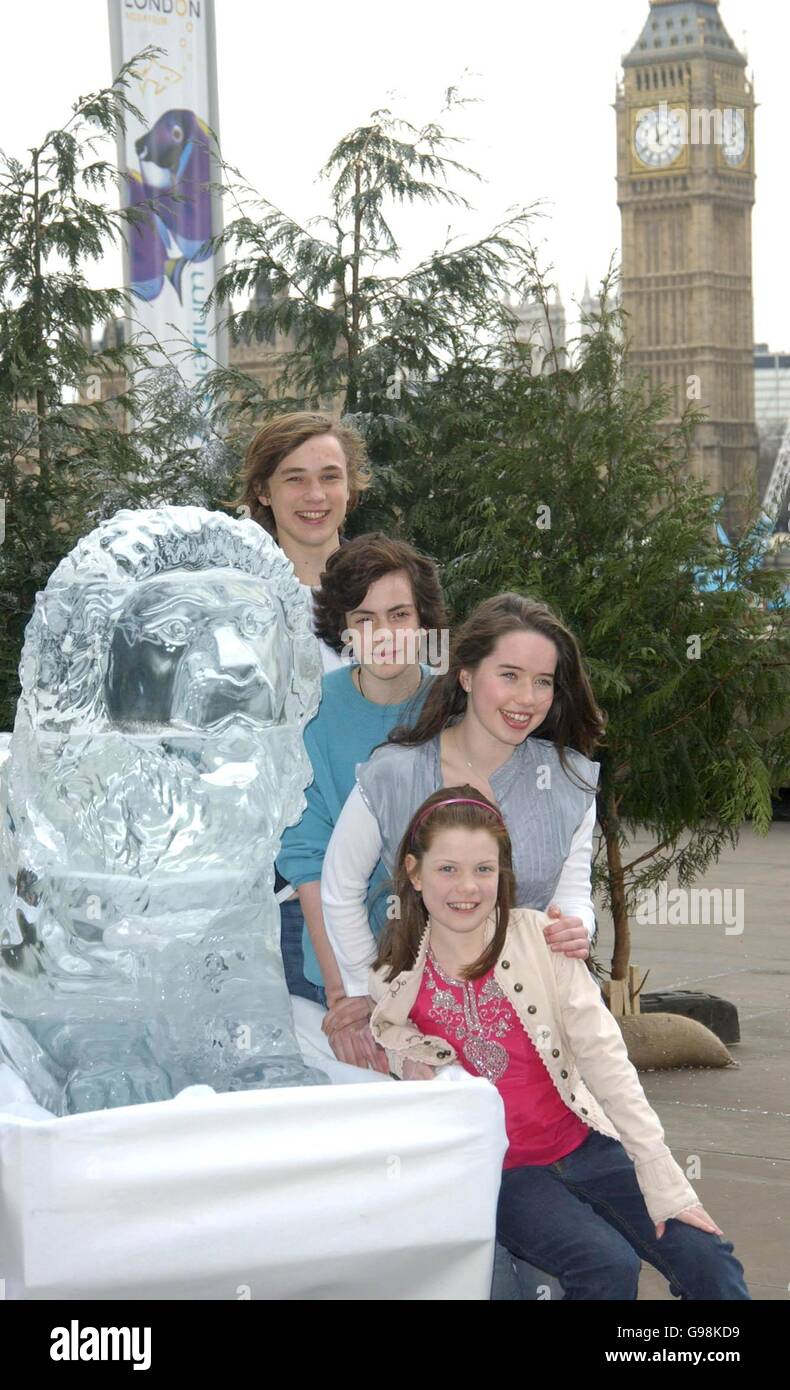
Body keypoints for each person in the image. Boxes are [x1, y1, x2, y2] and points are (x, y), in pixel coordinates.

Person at [367, 788, 751, 1301]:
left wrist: (661, 1175)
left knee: (706, 1255)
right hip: (505, 1173)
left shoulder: (541, 939)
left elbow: (606, 1059)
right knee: (605, 1264)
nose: (467, 887)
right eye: (447, 869)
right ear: (414, 873)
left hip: (586, 1143)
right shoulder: (395, 976)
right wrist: (411, 1058)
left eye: (484, 869)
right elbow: (389, 1035)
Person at [321, 592, 603, 1000]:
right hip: (425, 1016)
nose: (526, 697)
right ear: (467, 676)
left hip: (540, 1009)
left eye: (543, 681)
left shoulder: (569, 780)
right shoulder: (393, 773)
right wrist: (370, 991)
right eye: (509, 675)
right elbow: (340, 889)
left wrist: (577, 926)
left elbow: (571, 893)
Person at [276, 534, 445, 1068]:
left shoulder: (455, 706)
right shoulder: (310, 711)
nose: (385, 635)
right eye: (366, 618)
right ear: (343, 627)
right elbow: (307, 863)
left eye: (399, 614)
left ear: (423, 621)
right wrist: (342, 995)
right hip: (338, 957)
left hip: (443, 962)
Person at [233, 411, 371, 997]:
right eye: (294, 478)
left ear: (351, 487)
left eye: (330, 476)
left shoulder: (388, 592)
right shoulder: (235, 601)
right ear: (263, 491)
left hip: (382, 868)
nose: (315, 495)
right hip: (279, 878)